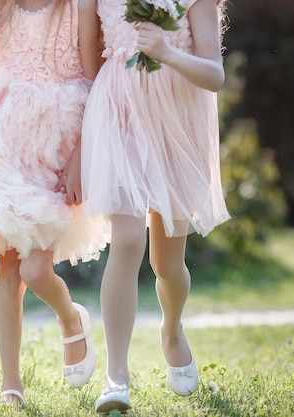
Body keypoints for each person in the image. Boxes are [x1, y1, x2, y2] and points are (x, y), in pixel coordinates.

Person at [0, 0, 109, 407]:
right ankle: (11, 385)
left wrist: (81, 155)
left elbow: (93, 81)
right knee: (8, 270)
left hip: (57, 145)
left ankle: (70, 317)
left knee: (36, 269)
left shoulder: (78, 7)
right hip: (3, 148)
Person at [79, 0, 230, 413]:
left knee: (167, 264)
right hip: (117, 114)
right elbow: (89, 63)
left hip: (175, 121)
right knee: (126, 241)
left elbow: (214, 75)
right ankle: (116, 378)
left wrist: (167, 52)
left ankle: (172, 329)